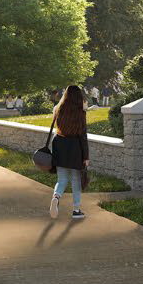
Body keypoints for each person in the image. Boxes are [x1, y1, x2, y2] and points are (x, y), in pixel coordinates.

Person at [48, 85, 89, 219]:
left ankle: (56, 196)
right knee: (75, 180)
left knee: (62, 179)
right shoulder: (80, 112)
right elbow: (83, 136)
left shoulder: (58, 109)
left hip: (60, 145)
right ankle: (76, 210)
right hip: (75, 148)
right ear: (79, 97)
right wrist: (86, 156)